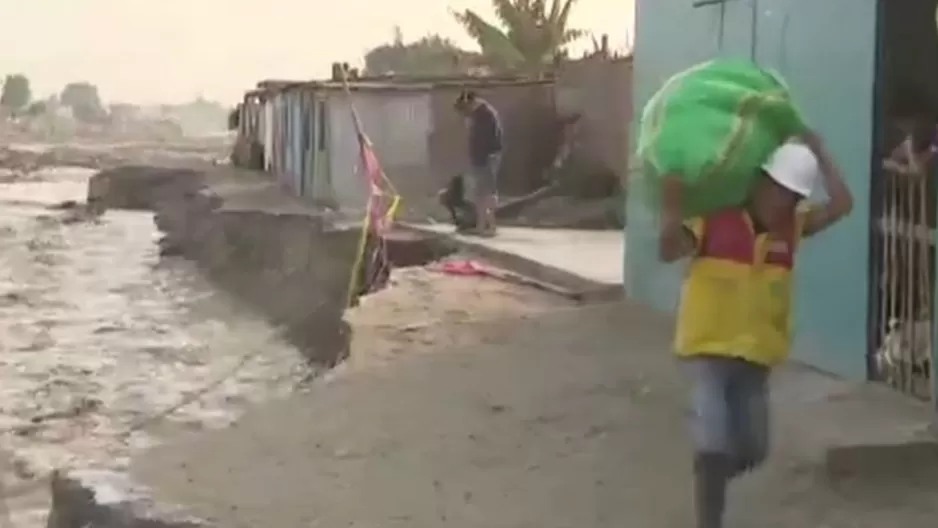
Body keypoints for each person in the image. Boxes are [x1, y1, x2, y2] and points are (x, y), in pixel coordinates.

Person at [658, 130, 853, 528]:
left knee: (753, 449)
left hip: (756, 356)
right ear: (762, 183)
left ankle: (709, 482)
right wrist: (672, 209)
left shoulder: (793, 230)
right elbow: (667, 251)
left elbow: (843, 204)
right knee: (713, 440)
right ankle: (709, 513)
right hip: (706, 349)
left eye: (797, 197)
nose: (788, 203)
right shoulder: (715, 219)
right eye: (784, 192)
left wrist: (819, 149)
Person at [454, 90, 503, 237]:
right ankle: (483, 225)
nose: (465, 113)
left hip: (486, 158)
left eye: (465, 109)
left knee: (487, 192)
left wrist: (489, 156)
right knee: (481, 193)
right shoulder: (478, 115)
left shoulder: (486, 114)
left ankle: (490, 225)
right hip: (480, 158)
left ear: (470, 103)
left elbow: (493, 139)